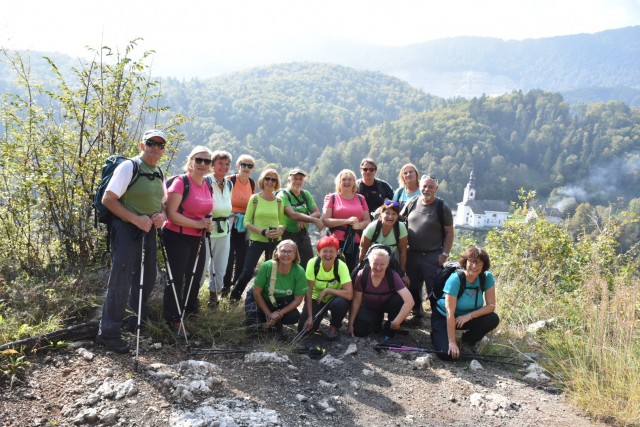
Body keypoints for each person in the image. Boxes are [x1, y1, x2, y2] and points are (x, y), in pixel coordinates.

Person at [96, 129, 167, 353]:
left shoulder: (159, 173)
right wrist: (136, 219)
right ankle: (108, 333)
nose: (155, 148)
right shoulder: (129, 167)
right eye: (151, 143)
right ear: (141, 145)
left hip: (148, 229)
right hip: (126, 229)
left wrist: (161, 216)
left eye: (160, 145)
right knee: (121, 278)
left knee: (148, 276)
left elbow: (163, 203)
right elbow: (109, 198)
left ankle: (133, 318)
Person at [161, 146, 213, 337]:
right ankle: (173, 319)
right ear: (190, 161)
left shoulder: (207, 184)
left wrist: (207, 223)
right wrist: (197, 223)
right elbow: (171, 215)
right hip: (177, 236)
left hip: (198, 237)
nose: (202, 164)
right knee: (176, 278)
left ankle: (189, 312)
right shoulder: (181, 182)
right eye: (199, 160)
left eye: (207, 161)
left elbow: (206, 210)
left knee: (195, 276)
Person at [400, 174, 454, 319]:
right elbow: (399, 219)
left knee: (435, 288)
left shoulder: (442, 207)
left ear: (436, 188)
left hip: (432, 255)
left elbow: (449, 233)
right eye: (424, 186)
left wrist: (445, 254)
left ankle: (439, 318)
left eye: (430, 186)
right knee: (412, 286)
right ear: (420, 187)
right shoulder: (412, 202)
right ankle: (417, 314)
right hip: (412, 253)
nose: (427, 189)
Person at [430, 247, 499, 359]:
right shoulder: (455, 279)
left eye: (479, 263)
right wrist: (452, 342)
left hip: (465, 318)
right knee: (446, 354)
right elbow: (449, 313)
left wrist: (469, 316)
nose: (474, 266)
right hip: (444, 317)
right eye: (471, 262)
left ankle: (467, 341)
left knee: (492, 318)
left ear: (484, 265)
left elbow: (491, 306)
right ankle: (438, 334)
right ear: (465, 261)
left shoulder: (487, 277)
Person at [229, 168, 286, 302]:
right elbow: (247, 222)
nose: (270, 182)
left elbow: (282, 222)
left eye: (273, 179)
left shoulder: (279, 201)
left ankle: (265, 301)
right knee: (248, 271)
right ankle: (234, 298)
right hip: (257, 240)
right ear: (262, 180)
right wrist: (262, 232)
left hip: (274, 241)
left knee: (272, 273)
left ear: (277, 182)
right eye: (267, 178)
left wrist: (280, 230)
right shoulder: (254, 199)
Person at [348, 248, 414, 340]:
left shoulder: (393, 275)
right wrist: (350, 324)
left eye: (382, 264)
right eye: (375, 264)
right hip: (369, 306)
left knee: (399, 299)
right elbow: (356, 301)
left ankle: (389, 328)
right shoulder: (362, 274)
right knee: (359, 332)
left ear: (387, 264)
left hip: (388, 305)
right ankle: (376, 321)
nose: (378, 268)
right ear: (369, 263)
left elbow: (410, 301)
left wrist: (397, 321)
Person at [244, 240, 308, 333]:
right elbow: (256, 292)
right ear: (277, 253)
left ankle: (276, 322)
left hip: (281, 303)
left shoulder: (299, 271)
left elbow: (298, 299)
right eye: (283, 251)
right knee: (253, 329)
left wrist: (279, 314)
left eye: (289, 251)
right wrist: (269, 314)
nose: (286, 254)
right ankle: (267, 320)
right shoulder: (267, 266)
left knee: (293, 317)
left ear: (295, 255)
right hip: (261, 298)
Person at [298, 236, 353, 341]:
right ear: (319, 252)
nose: (328, 254)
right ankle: (316, 319)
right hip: (316, 298)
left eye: (332, 251)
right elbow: (308, 292)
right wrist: (310, 316)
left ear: (337, 253)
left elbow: (349, 294)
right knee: (304, 331)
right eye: (325, 251)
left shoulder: (341, 266)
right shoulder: (312, 263)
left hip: (334, 299)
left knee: (341, 303)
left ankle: (334, 325)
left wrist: (328, 290)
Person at [323, 169, 371, 271]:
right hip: (335, 242)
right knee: (335, 269)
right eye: (343, 179)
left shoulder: (361, 198)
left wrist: (359, 226)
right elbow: (326, 220)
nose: (347, 182)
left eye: (350, 179)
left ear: (354, 182)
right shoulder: (332, 198)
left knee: (353, 269)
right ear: (339, 182)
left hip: (357, 241)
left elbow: (367, 221)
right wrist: (347, 221)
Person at [223, 155, 256, 294]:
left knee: (242, 258)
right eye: (244, 165)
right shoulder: (230, 180)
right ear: (238, 166)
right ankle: (224, 287)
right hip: (228, 223)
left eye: (250, 166)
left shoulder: (252, 184)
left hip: (243, 225)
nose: (246, 168)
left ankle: (235, 289)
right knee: (228, 257)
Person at [278, 168, 324, 267]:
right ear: (288, 180)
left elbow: (316, 212)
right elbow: (292, 215)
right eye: (295, 178)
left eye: (300, 179)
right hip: (286, 234)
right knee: (287, 263)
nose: (298, 181)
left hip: (302, 233)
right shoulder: (283, 195)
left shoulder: (305, 194)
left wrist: (305, 220)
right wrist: (313, 220)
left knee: (308, 263)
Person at [205, 150, 233, 308]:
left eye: (227, 163)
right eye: (220, 163)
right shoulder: (206, 181)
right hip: (206, 229)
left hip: (224, 231)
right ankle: (191, 299)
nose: (224, 166)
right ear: (213, 165)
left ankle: (213, 297)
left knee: (220, 266)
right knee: (201, 267)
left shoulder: (229, 183)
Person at [358, 200, 409, 285]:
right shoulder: (372, 227)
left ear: (397, 216)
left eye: (394, 214)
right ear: (381, 214)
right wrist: (362, 268)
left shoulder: (401, 227)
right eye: (387, 213)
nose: (390, 217)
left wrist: (403, 273)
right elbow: (363, 249)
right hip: (372, 263)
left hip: (391, 263)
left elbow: (403, 252)